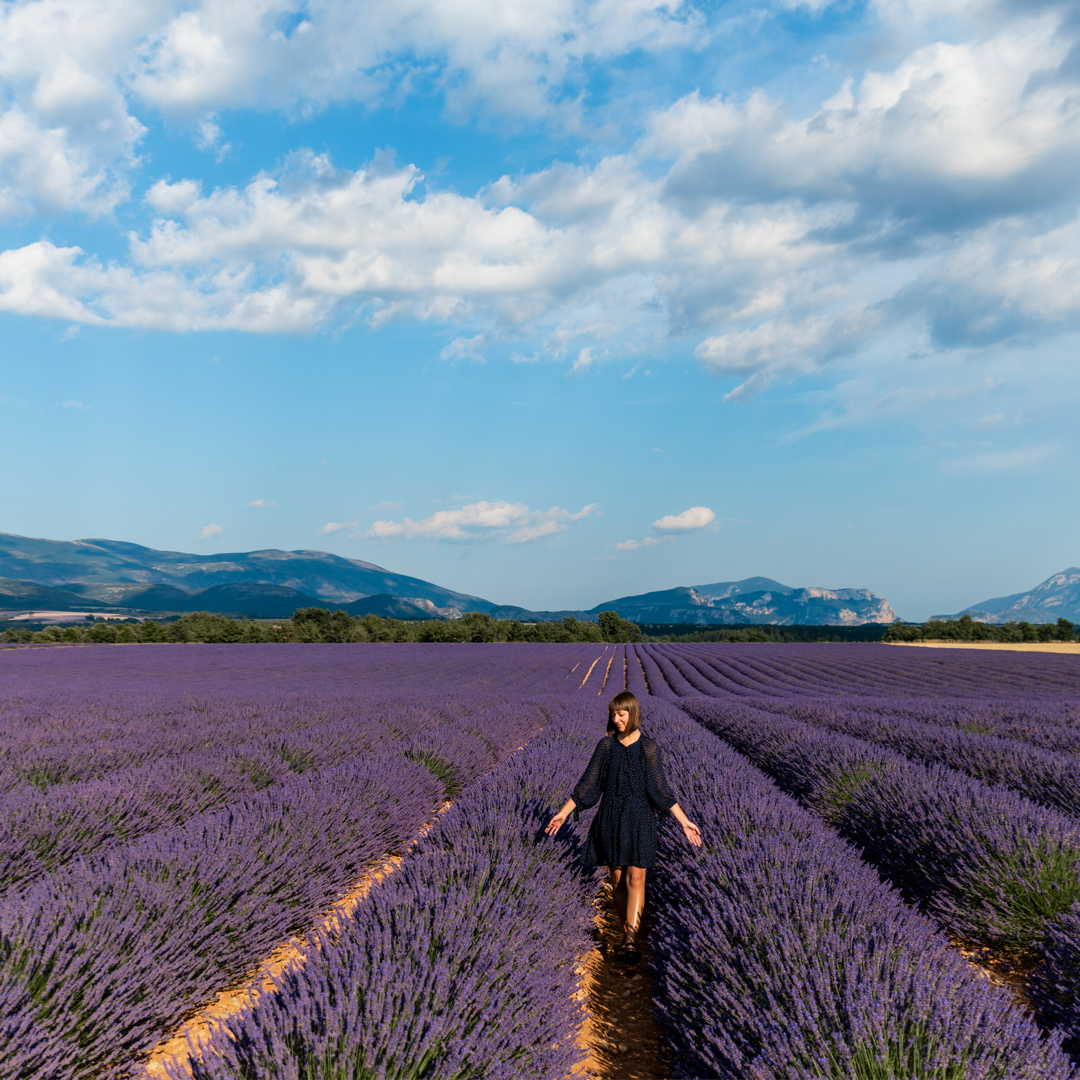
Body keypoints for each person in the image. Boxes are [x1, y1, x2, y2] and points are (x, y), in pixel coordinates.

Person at [545, 691, 702, 963]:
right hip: (610, 818)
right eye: (614, 714)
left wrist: (684, 821)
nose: (616, 719)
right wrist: (562, 814)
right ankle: (624, 928)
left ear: (633, 714)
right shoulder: (606, 747)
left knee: (636, 879)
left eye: (621, 714)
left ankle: (630, 941)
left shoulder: (649, 748)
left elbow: (660, 790)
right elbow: (587, 785)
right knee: (617, 880)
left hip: (640, 819)